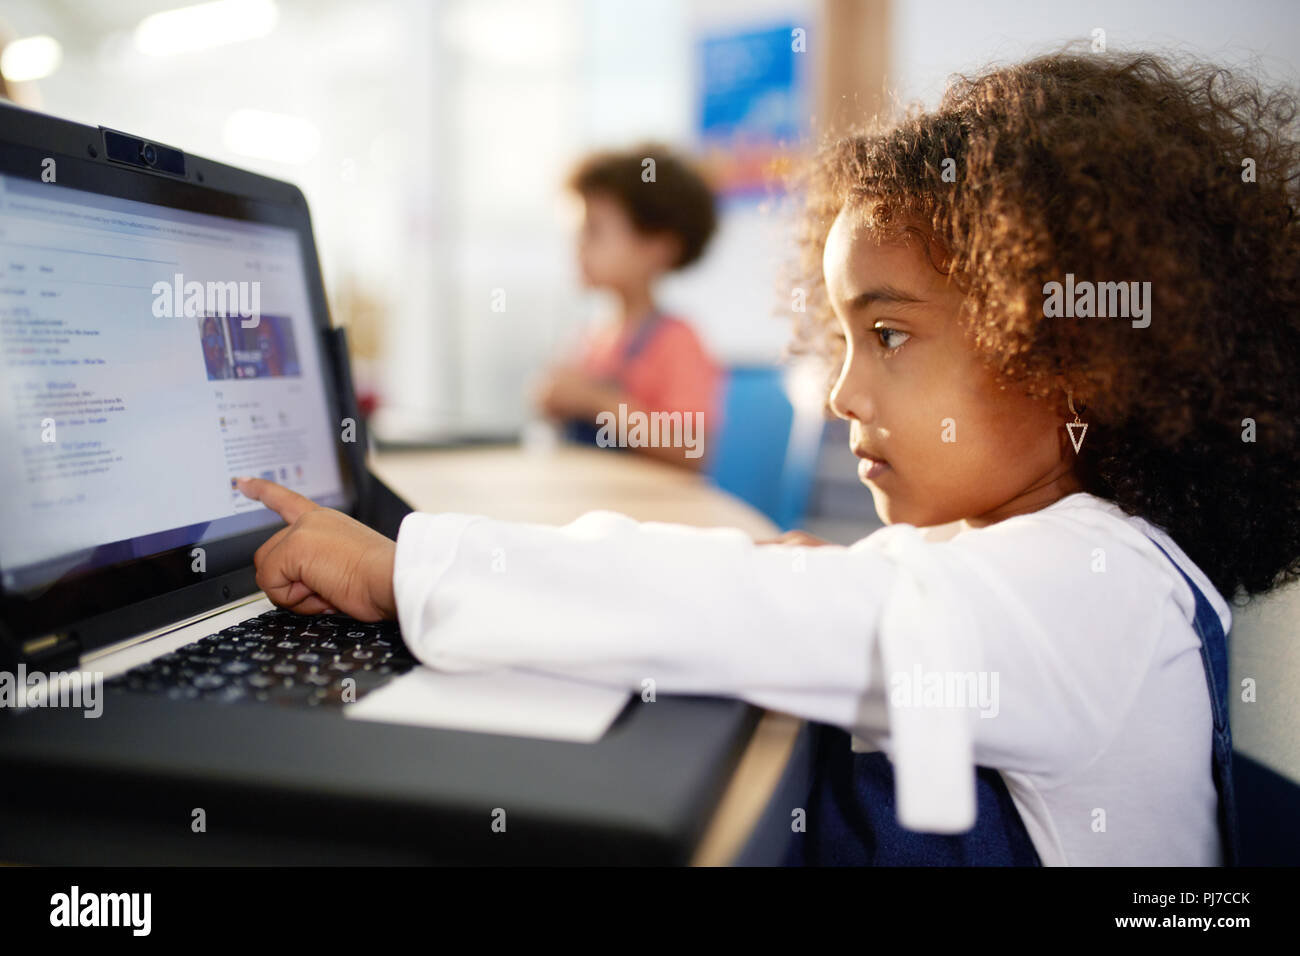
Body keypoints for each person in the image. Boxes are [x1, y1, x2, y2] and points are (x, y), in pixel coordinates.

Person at [234, 50, 1300, 865]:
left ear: (1073, 353)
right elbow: (849, 605)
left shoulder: (1091, 589)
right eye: (838, 339)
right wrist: (836, 583)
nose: (841, 391)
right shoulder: (1038, 559)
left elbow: (746, 603)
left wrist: (402, 566)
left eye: (887, 335)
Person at [534, 145, 722, 470]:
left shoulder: (677, 341)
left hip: (652, 512)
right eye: (576, 232)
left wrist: (595, 401)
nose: (577, 247)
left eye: (593, 231)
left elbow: (690, 448)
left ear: (656, 247)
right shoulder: (590, 337)